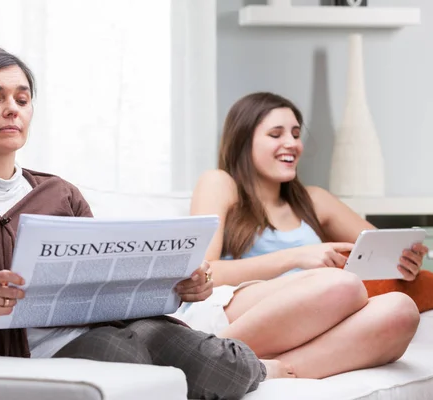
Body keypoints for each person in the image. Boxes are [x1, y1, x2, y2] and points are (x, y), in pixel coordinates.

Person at [0, 46, 286, 400]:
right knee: (123, 355)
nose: (12, 109)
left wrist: (178, 284)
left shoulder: (60, 192)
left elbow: (106, 280)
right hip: (34, 356)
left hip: (116, 326)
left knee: (227, 366)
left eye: (22, 99)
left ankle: (270, 369)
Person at [176, 91, 424, 380]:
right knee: (344, 285)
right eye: (275, 134)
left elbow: (386, 247)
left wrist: (405, 262)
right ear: (243, 141)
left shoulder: (314, 201)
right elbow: (203, 273)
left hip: (309, 321)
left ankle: (270, 371)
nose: (291, 143)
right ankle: (205, 359)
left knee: (401, 311)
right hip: (232, 307)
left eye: (295, 134)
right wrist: (295, 257)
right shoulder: (220, 183)